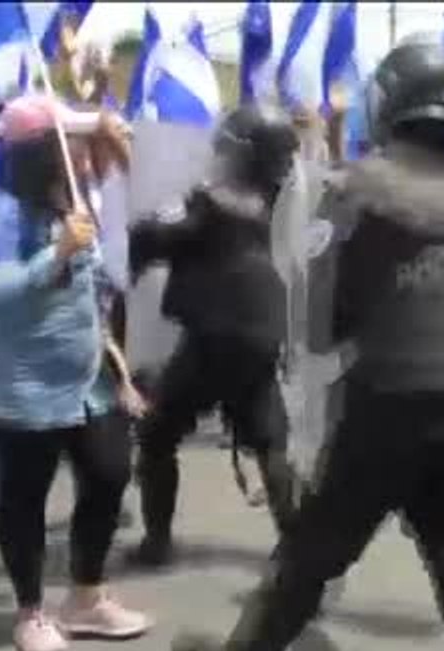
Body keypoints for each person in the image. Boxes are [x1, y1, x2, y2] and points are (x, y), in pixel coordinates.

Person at [169, 40, 444, 651]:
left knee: (316, 544)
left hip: (389, 399)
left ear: (393, 102)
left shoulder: (359, 188)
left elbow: (321, 318)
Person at [0, 94, 150, 651]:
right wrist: (57, 255)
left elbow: (92, 300)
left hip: (87, 379)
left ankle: (86, 596)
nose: (83, 152)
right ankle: (30, 611)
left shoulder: (76, 200)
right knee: (25, 500)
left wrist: (118, 369)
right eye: (70, 142)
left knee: (110, 473)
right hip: (23, 388)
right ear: (43, 153)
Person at [127, 103, 302, 567]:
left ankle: (157, 542)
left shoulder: (216, 202)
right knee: (270, 444)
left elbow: (158, 240)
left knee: (157, 433)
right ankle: (300, 557)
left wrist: (138, 234)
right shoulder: (284, 200)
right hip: (263, 335)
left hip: (215, 337)